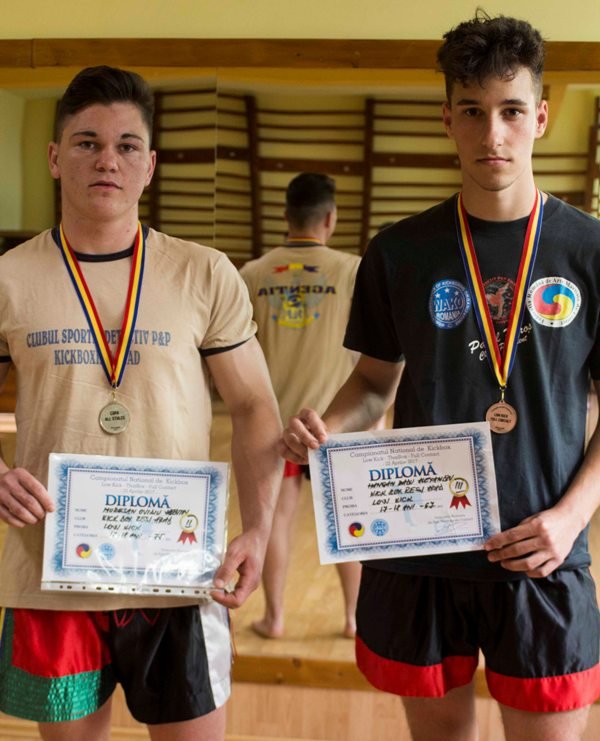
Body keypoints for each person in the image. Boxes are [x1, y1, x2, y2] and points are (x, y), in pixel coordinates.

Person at [281, 12, 600, 741]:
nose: (493, 134)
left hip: (541, 549)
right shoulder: (400, 251)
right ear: (447, 119)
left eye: (511, 110)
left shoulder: (589, 251)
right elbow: (372, 385)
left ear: (541, 117)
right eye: (473, 111)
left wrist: (571, 517)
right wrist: (327, 428)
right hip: (419, 546)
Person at [0, 66, 282, 741]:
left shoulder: (204, 272)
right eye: (87, 142)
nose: (108, 160)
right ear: (54, 157)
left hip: (180, 572)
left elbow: (254, 405)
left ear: (150, 165)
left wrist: (258, 529)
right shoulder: (9, 277)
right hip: (52, 573)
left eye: (127, 145)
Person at [240, 172, 363, 639]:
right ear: (330, 218)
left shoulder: (253, 274)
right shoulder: (352, 271)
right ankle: (353, 619)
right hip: (337, 422)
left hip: (275, 423)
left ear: (286, 216)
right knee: (348, 520)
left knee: (275, 518)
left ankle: (274, 618)